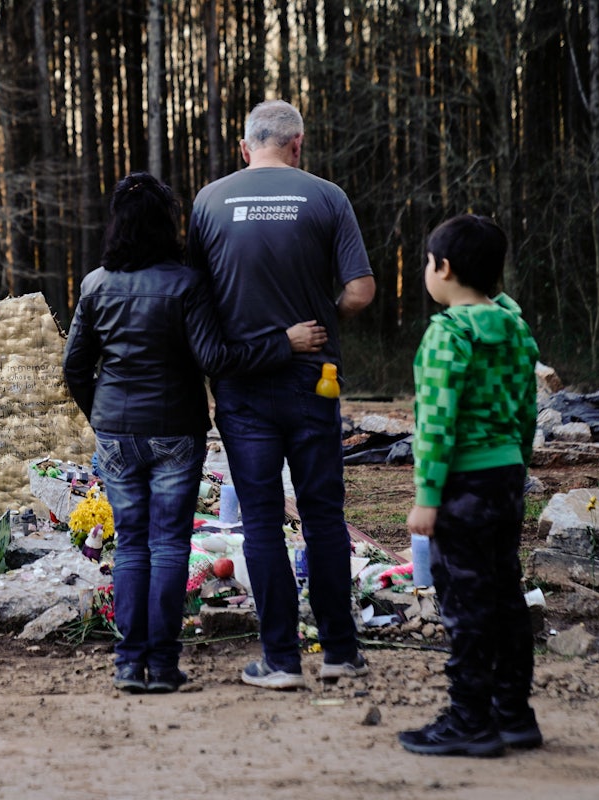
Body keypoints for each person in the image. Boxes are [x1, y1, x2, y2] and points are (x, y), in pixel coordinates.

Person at [63, 171, 327, 694]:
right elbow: (217, 359)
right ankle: (162, 666)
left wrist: (105, 420)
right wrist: (285, 343)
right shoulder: (186, 284)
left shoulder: (95, 284)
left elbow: (75, 368)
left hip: (116, 432)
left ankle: (126, 665)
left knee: (132, 547)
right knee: (167, 547)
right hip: (174, 434)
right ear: (168, 225)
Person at [186, 100, 376, 690]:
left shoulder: (209, 201)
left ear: (246, 149)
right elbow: (362, 290)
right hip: (314, 383)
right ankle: (341, 652)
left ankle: (280, 661)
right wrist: (325, 315)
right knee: (323, 518)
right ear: (298, 146)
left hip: (242, 386)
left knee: (263, 522)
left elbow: (196, 296)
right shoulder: (327, 197)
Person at [397, 214, 541, 757]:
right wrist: (517, 465)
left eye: (428, 264)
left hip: (462, 481)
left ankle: (469, 720)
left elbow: (436, 422)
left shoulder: (448, 334)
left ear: (445, 269)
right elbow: (527, 409)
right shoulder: (515, 328)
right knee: (506, 593)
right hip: (506, 476)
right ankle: (514, 713)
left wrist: (427, 497)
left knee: (465, 602)